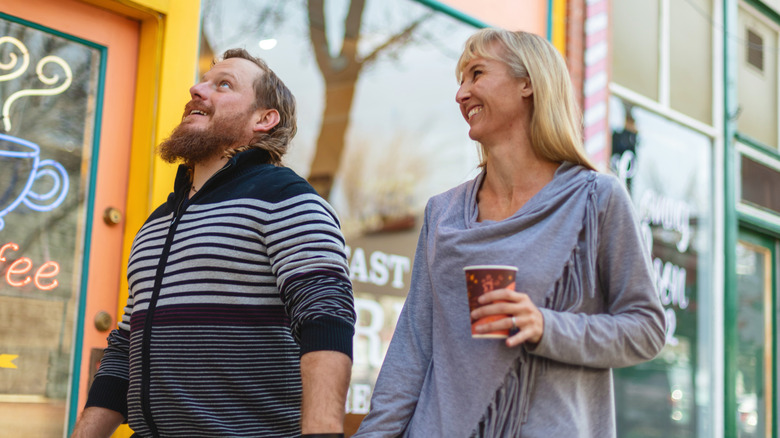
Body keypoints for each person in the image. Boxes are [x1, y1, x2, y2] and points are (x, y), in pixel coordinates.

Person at [353, 29, 666, 438]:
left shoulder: (596, 200)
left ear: (528, 83)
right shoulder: (442, 212)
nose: (461, 94)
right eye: (460, 81)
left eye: (477, 74)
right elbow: (412, 351)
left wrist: (546, 326)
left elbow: (646, 329)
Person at [71, 48, 356, 438]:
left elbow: (325, 315)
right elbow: (125, 347)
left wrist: (322, 432)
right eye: (202, 81)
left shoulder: (286, 197)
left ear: (264, 119)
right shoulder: (156, 223)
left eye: (223, 85)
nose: (196, 89)